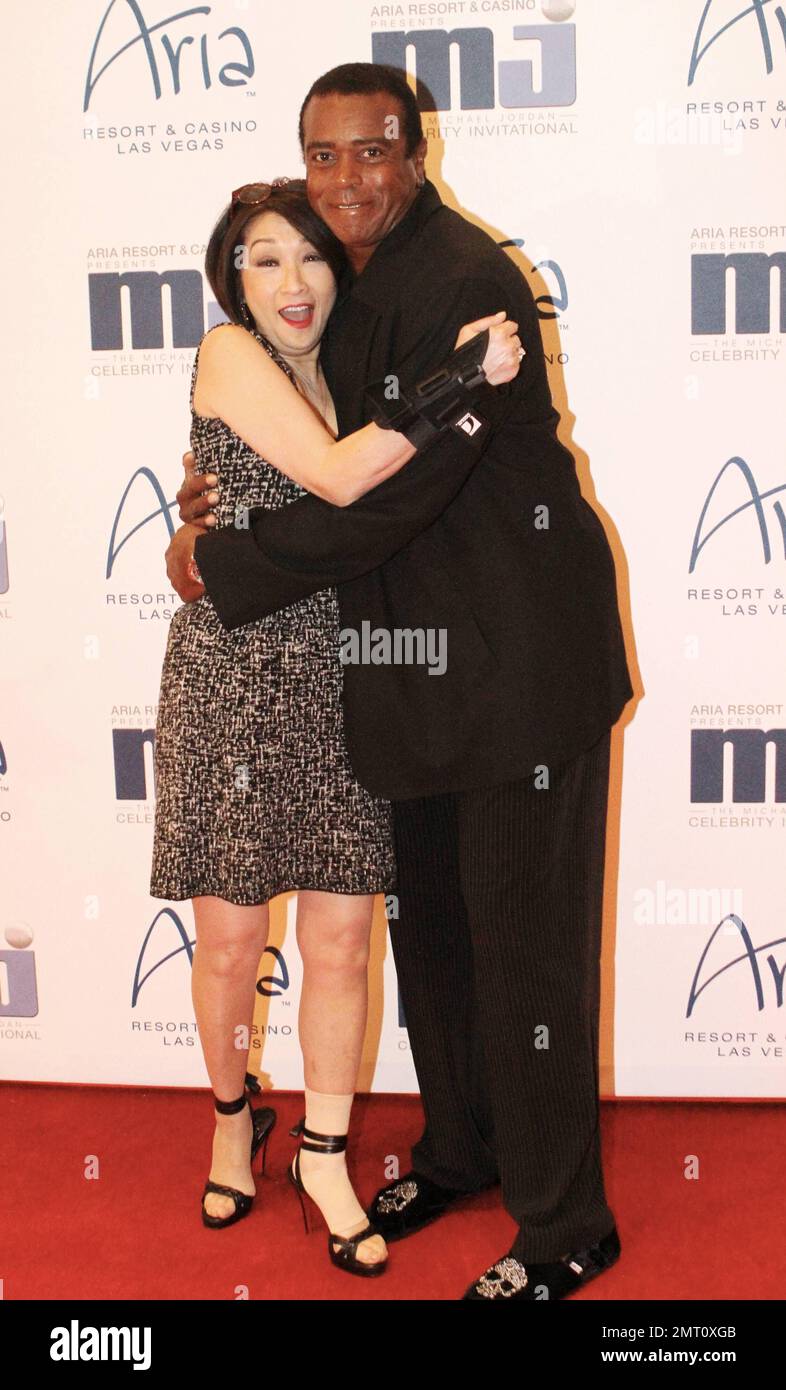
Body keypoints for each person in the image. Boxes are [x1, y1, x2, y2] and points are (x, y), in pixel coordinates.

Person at [166, 62, 636, 1300]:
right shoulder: (343, 281)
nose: (348, 179)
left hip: (522, 671)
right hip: (411, 674)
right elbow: (285, 445)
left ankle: (564, 1227)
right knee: (436, 942)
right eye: (325, 156)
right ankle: (465, 1148)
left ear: (413, 152)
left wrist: (218, 563)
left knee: (527, 954)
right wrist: (194, 527)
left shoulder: (469, 281)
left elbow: (376, 506)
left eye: (371, 152)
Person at [149, 174, 522, 1277]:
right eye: (264, 258)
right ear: (234, 277)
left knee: (343, 939)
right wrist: (468, 372)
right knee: (228, 938)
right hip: (231, 672)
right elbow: (336, 474)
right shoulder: (228, 355)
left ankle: (322, 1151)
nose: (292, 280)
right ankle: (231, 1116)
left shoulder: (361, 363)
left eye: (310, 255)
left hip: (344, 669)